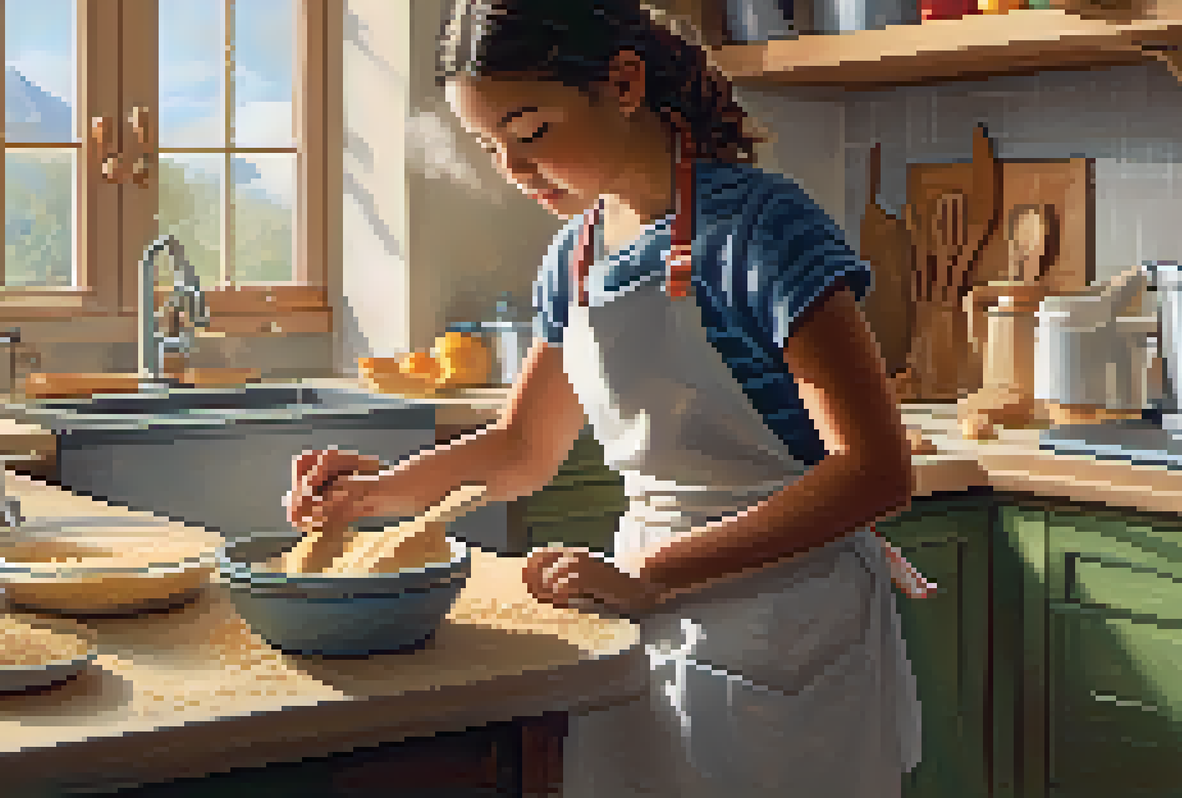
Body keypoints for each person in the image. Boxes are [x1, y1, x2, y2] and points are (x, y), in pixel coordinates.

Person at [286, 1, 928, 795]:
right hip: (638, 611)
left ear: (623, 82)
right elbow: (523, 450)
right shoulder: (575, 256)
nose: (514, 172)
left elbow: (874, 472)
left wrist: (657, 573)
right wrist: (374, 495)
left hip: (787, 625)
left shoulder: (766, 229)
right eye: (490, 148)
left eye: (530, 134)